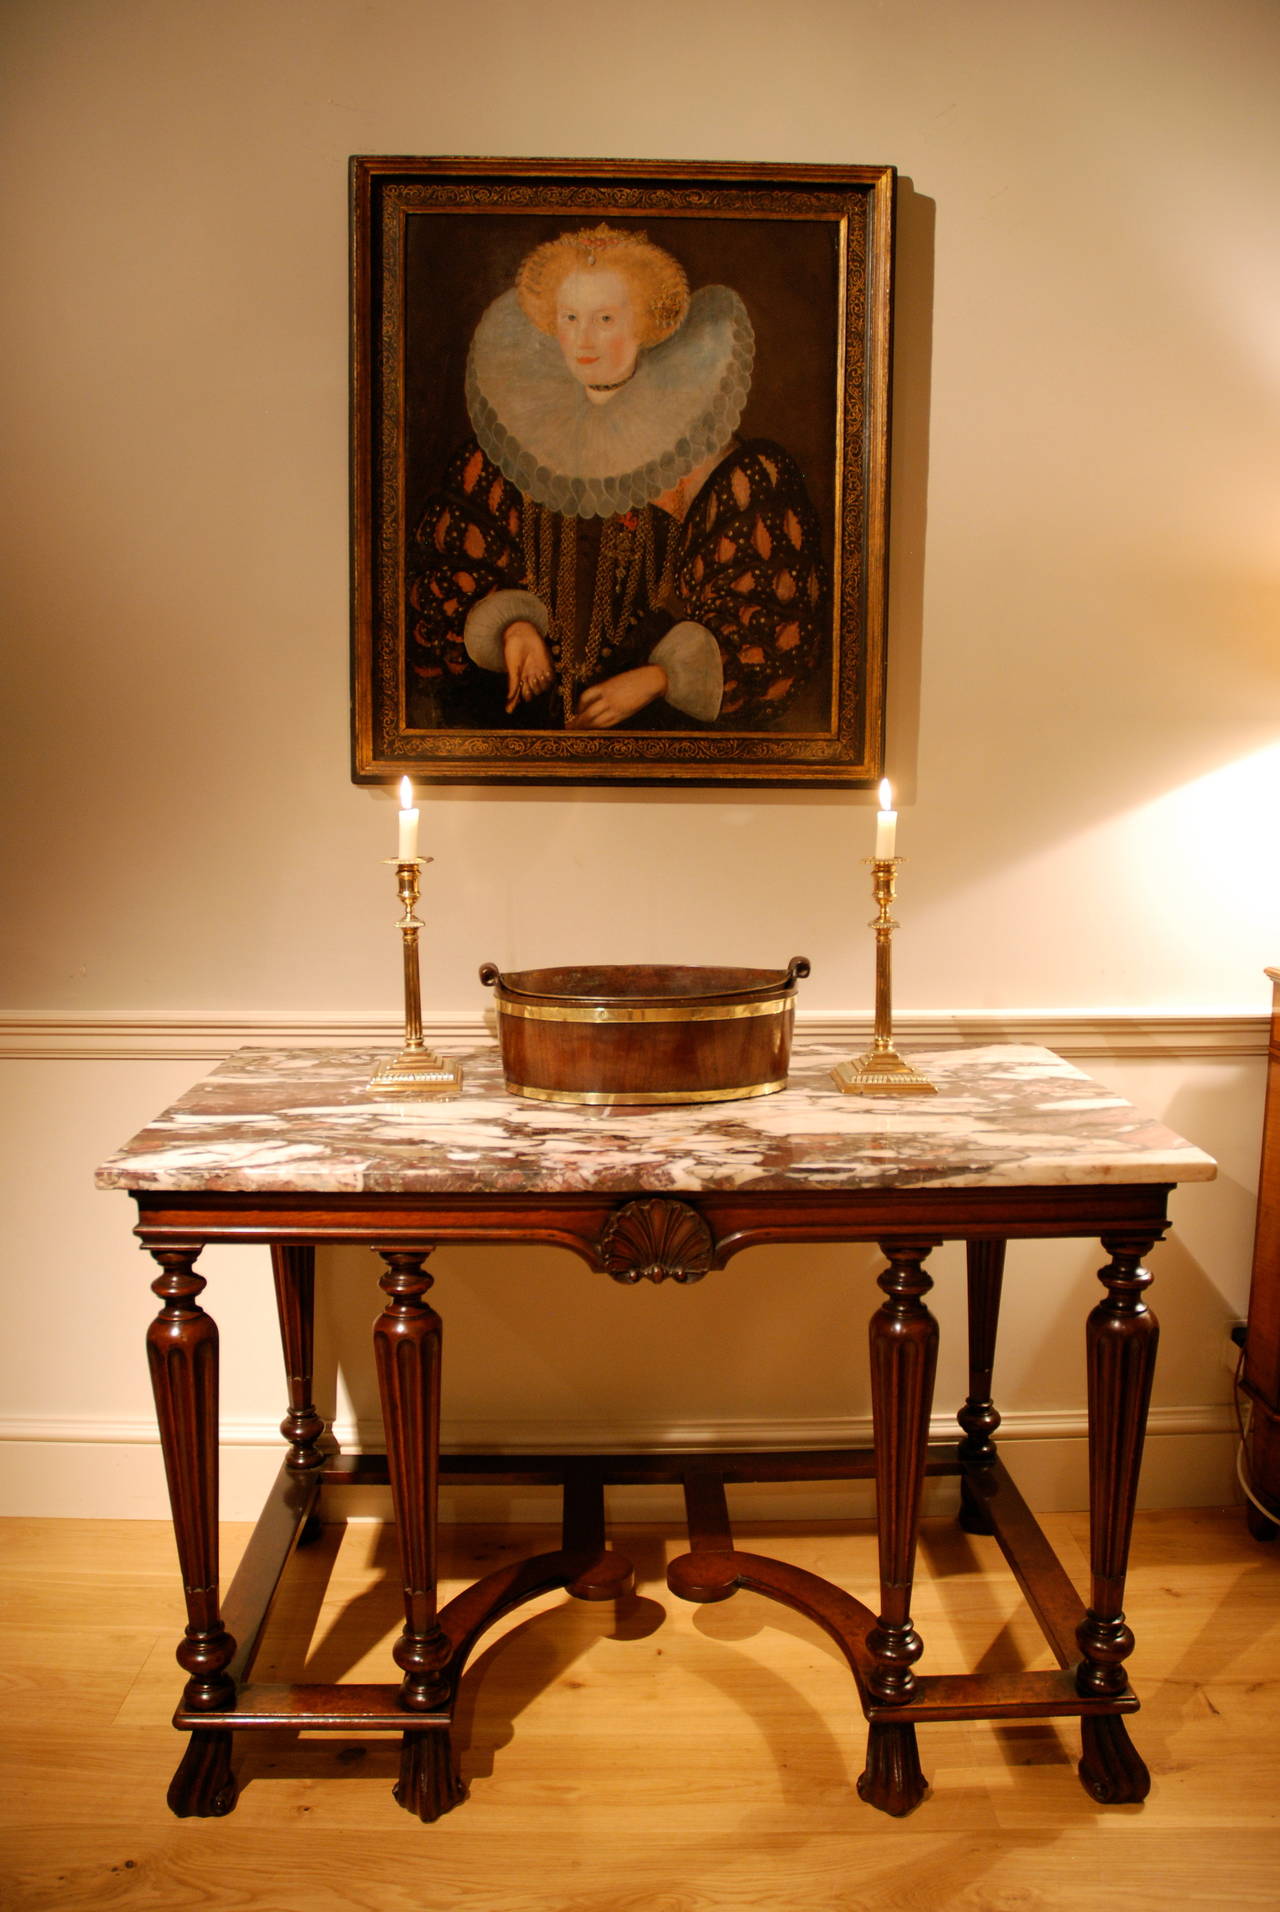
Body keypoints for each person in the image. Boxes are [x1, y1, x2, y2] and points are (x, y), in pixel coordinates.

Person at [408, 224, 828, 732]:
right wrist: (512, 627)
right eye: (570, 318)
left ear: (647, 323)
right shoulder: (507, 453)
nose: (584, 340)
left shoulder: (721, 465)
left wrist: (658, 678)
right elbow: (448, 578)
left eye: (605, 318)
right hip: (523, 727)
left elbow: (770, 629)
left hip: (662, 734)